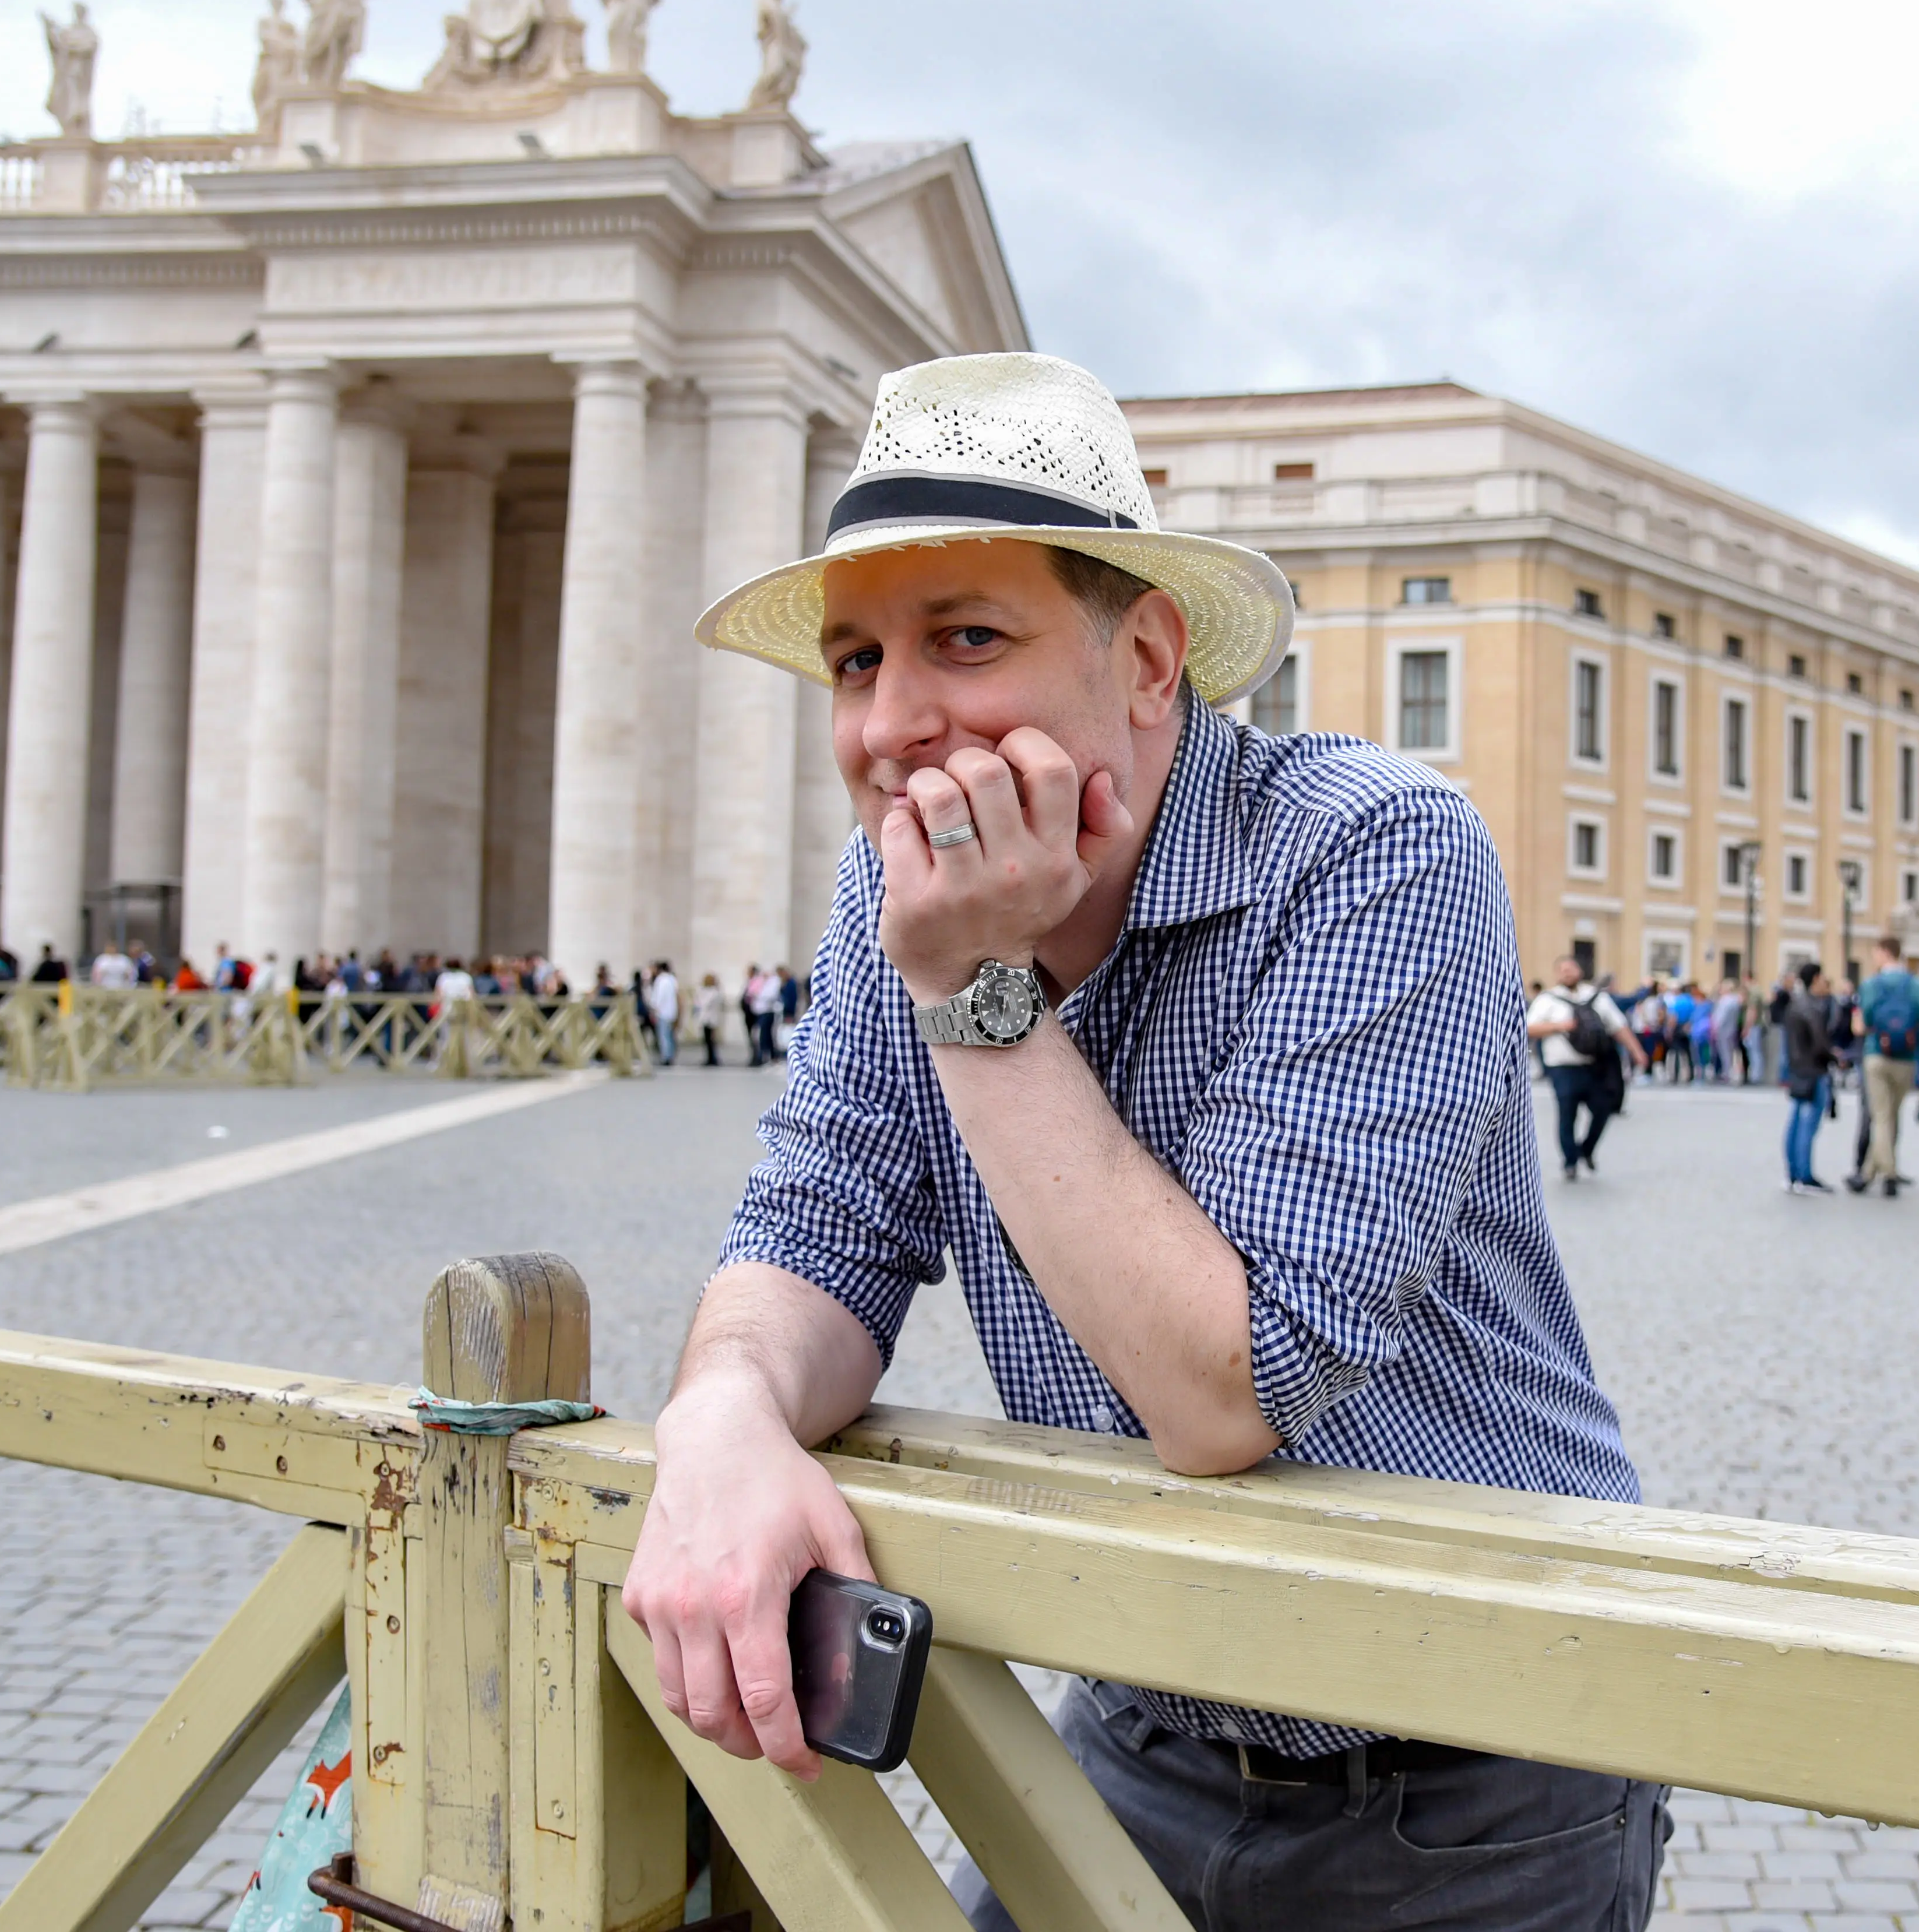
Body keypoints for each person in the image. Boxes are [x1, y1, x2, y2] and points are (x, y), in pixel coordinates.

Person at [622, 351, 1668, 1931]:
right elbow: (817, 1234)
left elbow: (1221, 1383)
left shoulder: (1373, 849)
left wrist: (970, 987)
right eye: (851, 662)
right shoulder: (890, 905)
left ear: (1151, 660)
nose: (892, 724)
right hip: (1136, 1725)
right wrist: (719, 1409)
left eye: (964, 638)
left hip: (1481, 1768)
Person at [1525, 956, 1635, 1179]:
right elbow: (1529, 1028)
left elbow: (1618, 1026)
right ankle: (1570, 1161)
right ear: (1557, 974)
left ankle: (1586, 1149)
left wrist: (1637, 1052)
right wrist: (1559, 1026)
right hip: (1562, 1068)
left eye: (1571, 968)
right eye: (1563, 970)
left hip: (1593, 1066)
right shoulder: (1549, 999)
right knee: (1567, 1114)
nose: (1567, 973)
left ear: (1579, 970)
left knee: (1604, 1109)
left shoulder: (1596, 997)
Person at [1848, 937, 1919, 1198]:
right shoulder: (1917, 986)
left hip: (1876, 1054)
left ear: (1884, 953)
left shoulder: (1872, 984)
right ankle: (1868, 1174)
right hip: (1906, 1057)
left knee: (1881, 1118)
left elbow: (1865, 1019)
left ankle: (1889, 1173)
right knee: (1892, 1116)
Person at [1776, 961, 1836, 1194]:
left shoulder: (1796, 1005)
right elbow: (1820, 1042)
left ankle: (1793, 1173)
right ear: (1816, 979)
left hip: (1798, 1068)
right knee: (1808, 1123)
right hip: (1812, 1069)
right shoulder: (1811, 1007)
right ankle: (1804, 1174)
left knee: (1796, 1121)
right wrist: (1834, 1057)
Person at [646, 960, 680, 1065]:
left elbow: (659, 997)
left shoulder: (661, 980)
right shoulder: (673, 980)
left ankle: (666, 1057)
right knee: (670, 1035)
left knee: (664, 1036)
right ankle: (670, 1055)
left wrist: (653, 1007)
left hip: (663, 1012)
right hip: (672, 1011)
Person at [693, 971, 730, 1067]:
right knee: (707, 1040)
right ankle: (710, 1058)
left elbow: (705, 1004)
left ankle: (713, 1058)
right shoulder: (705, 991)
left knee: (711, 1040)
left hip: (711, 1018)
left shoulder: (715, 992)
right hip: (707, 1018)